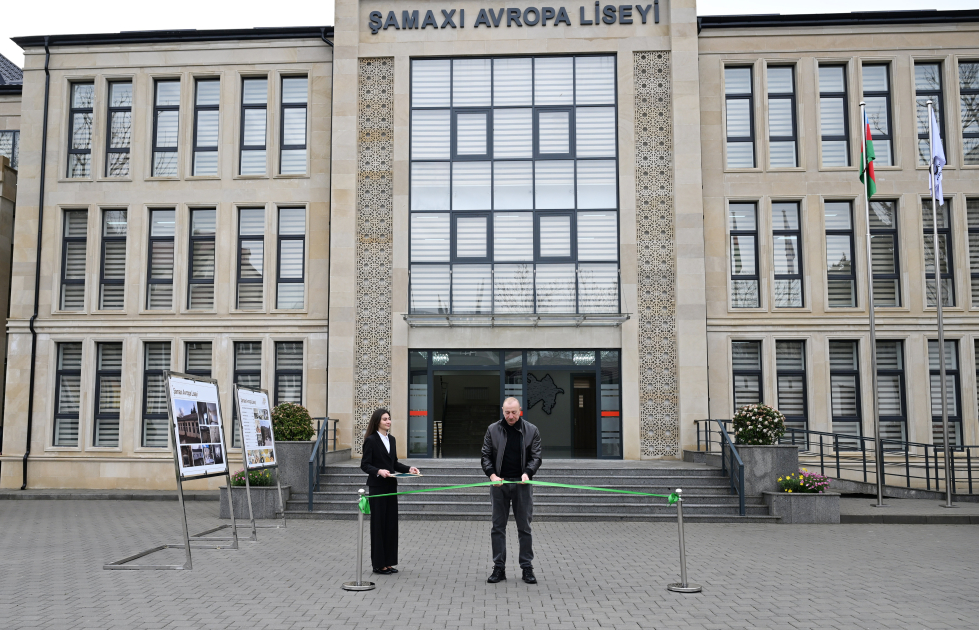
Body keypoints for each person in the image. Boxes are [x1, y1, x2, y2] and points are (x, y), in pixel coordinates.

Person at [481, 397, 542, 585]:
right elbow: (485, 456)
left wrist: (528, 473)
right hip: (499, 485)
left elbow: (536, 456)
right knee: (498, 527)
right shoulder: (493, 429)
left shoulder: (531, 430)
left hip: (522, 485)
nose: (510, 416)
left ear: (520, 411)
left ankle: (527, 568)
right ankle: (498, 568)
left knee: (524, 527)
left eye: (514, 412)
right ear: (502, 411)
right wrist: (492, 476)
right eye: (507, 412)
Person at [360, 408, 420, 575]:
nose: (388, 421)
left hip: (391, 487)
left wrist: (409, 469)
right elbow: (365, 465)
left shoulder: (391, 440)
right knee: (378, 526)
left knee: (390, 525)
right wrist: (379, 471)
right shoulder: (371, 440)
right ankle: (378, 564)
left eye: (389, 419)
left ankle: (388, 562)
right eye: (385, 419)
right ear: (377, 421)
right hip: (378, 487)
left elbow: (394, 464)